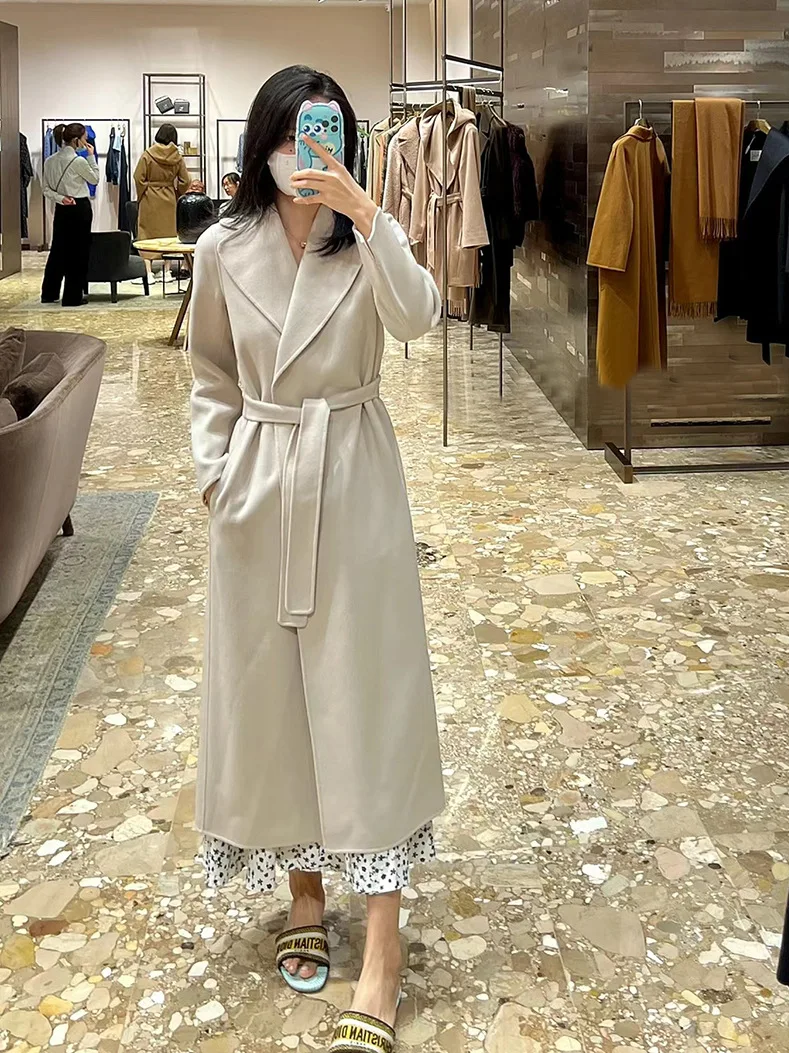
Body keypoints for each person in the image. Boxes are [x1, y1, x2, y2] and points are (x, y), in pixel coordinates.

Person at [189, 66, 444, 1053]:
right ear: (263, 146)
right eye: (294, 137)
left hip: (353, 479)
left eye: (326, 134)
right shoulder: (223, 249)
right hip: (260, 487)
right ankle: (304, 895)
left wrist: (368, 212)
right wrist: (216, 476)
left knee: (365, 701)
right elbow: (210, 371)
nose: (308, 155)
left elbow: (419, 317)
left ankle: (382, 947)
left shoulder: (366, 236)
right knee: (275, 702)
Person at [41, 122, 99, 307]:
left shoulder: (49, 161)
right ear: (76, 140)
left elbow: (46, 189)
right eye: (84, 138)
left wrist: (60, 198)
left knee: (58, 249)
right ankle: (72, 297)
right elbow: (94, 179)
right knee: (79, 252)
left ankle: (49, 293)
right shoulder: (79, 161)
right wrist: (91, 157)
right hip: (79, 207)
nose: (86, 141)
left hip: (62, 207)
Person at [133, 123, 190, 241]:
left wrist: (143, 192)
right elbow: (185, 181)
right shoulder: (178, 157)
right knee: (168, 233)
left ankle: (148, 253)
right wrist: (177, 193)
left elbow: (138, 177)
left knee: (148, 234)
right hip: (169, 197)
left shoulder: (148, 154)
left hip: (149, 197)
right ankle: (168, 253)